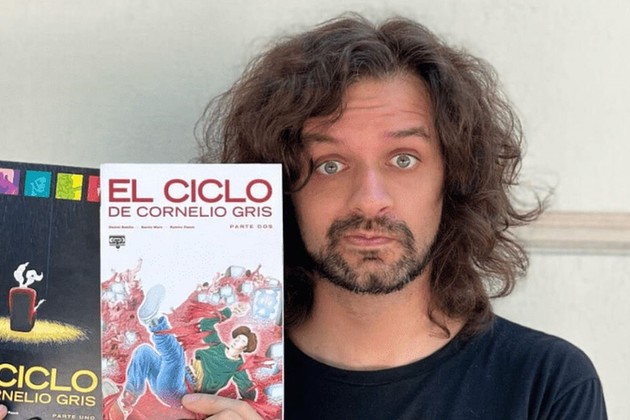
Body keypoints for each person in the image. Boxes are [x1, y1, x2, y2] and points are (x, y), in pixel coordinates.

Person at [0, 12, 607, 420]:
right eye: (330, 164)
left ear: (455, 177)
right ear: (279, 185)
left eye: (403, 158)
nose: (369, 199)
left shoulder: (545, 385)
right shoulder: (214, 384)